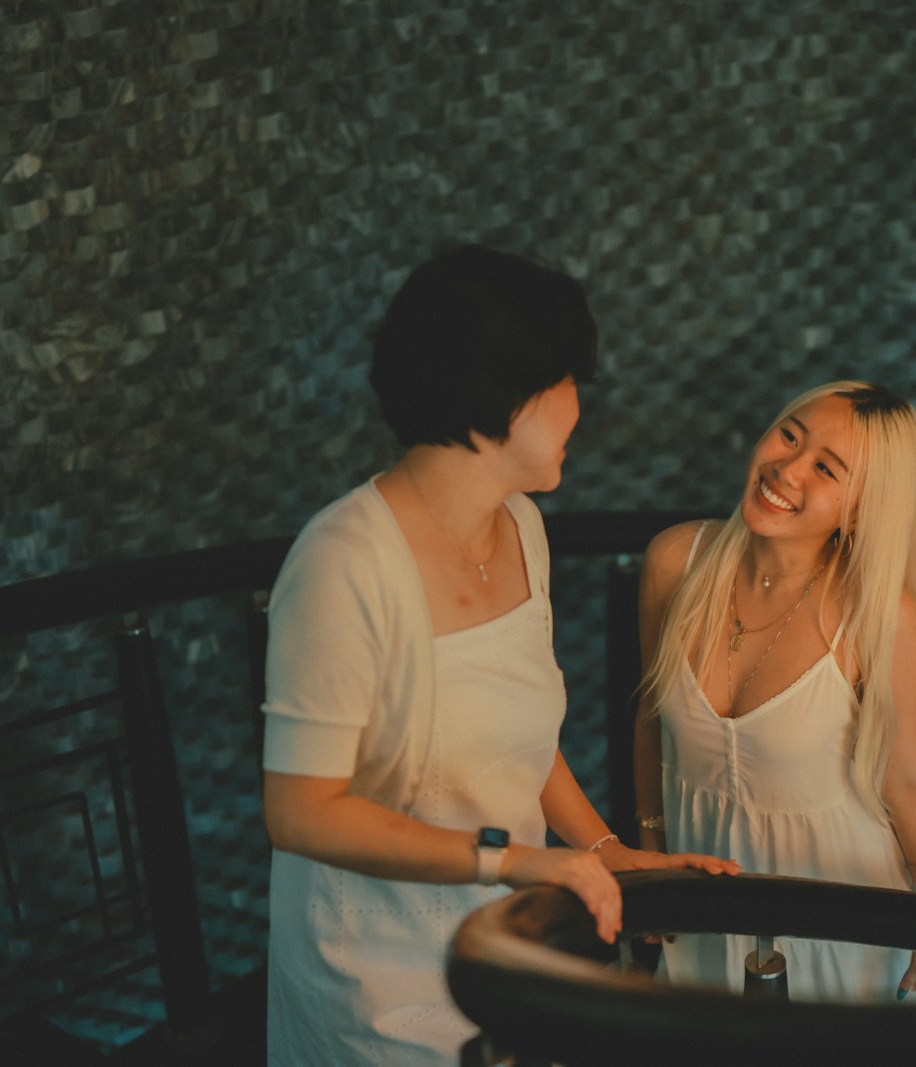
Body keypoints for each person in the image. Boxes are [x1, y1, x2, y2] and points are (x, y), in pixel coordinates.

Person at [261, 244, 737, 1066]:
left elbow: (516, 733)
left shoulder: (522, 526)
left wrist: (603, 854)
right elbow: (301, 810)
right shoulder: (342, 562)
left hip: (505, 954)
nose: (580, 408)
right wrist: (514, 861)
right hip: (375, 988)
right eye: (567, 383)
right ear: (507, 398)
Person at [632, 380, 916, 1002]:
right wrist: (651, 851)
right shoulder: (674, 561)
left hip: (839, 911)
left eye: (826, 468)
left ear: (861, 508)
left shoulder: (880, 619)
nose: (786, 468)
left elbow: (907, 773)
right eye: (789, 436)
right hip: (700, 901)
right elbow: (650, 718)